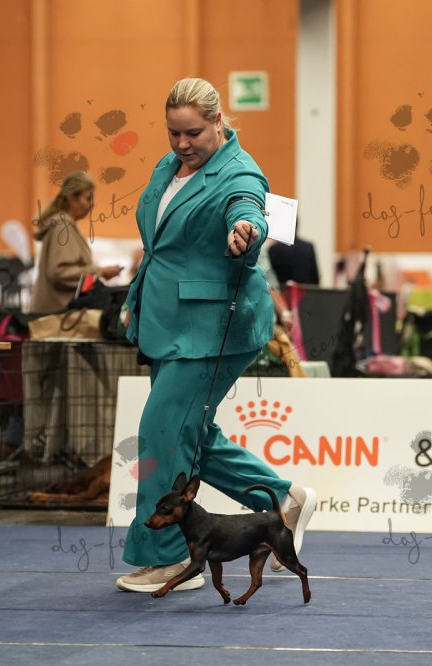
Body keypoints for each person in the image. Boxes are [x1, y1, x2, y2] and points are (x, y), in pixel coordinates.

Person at [117, 77, 317, 593]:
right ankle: (283, 500)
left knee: (163, 432)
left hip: (212, 327)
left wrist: (246, 230)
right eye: (174, 133)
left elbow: (247, 207)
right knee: (192, 435)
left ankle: (169, 558)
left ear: (219, 121)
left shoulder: (239, 172)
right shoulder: (168, 167)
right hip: (169, 322)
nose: (183, 143)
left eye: (194, 133)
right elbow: (161, 247)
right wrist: (136, 298)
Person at [30, 171, 123, 313]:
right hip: (57, 315)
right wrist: (100, 272)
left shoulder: (63, 225)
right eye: (88, 198)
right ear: (72, 198)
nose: (92, 205)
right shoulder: (62, 225)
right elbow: (60, 273)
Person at [268, 220, 320, 286]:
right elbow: (315, 278)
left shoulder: (274, 248)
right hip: (306, 291)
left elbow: (268, 277)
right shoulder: (308, 247)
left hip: (282, 291)